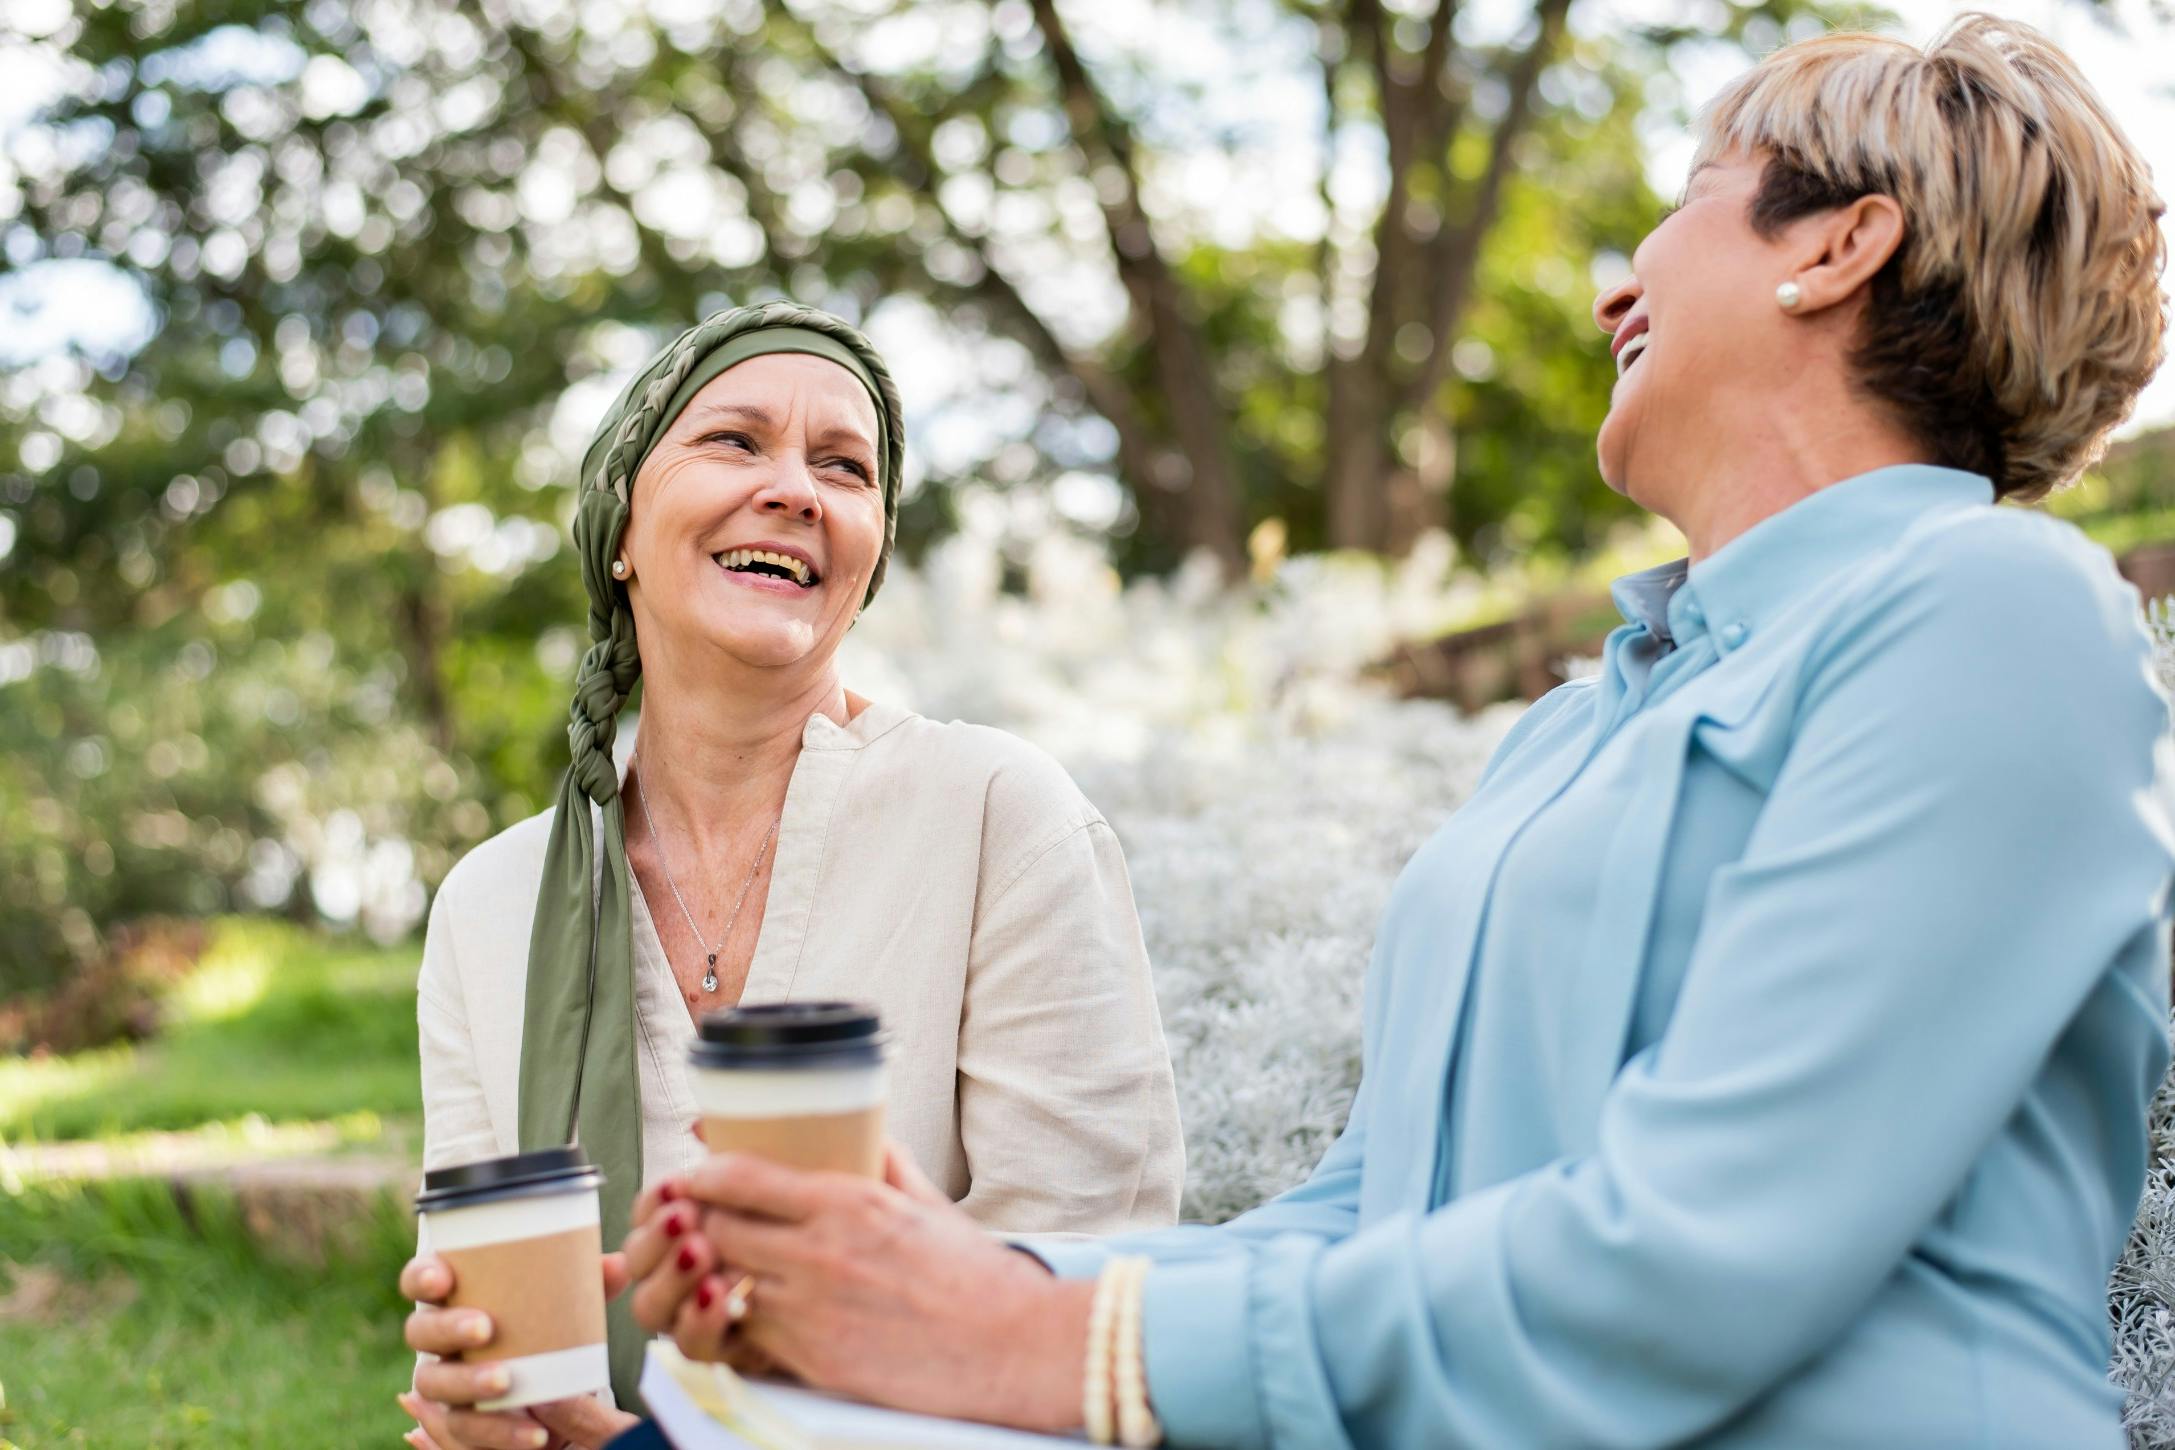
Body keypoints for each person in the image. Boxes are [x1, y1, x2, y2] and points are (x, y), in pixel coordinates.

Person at [627, 18, 2173, 1447]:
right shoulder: (1564, 737)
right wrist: (920, 1272)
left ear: (1840, 243)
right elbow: (1367, 1217)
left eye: (1689, 195)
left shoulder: (1995, 613)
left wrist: (1031, 1335)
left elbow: (1697, 1255)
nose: (1606, 288)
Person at [394, 303, 1184, 1450]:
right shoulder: (491, 902)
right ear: (620, 523)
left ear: (865, 558)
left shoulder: (999, 814)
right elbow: (490, 1311)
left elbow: (1075, 1275)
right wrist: (481, 1394)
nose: (796, 489)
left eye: (843, 466)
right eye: (734, 441)